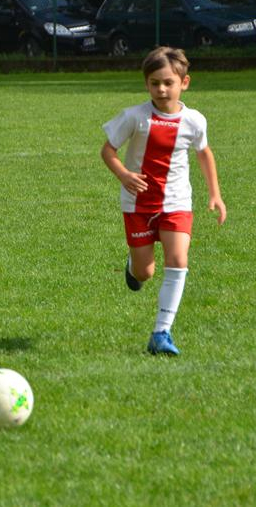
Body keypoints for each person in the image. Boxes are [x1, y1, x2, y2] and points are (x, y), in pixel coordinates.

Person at [100, 46, 227, 356]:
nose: (161, 89)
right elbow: (108, 150)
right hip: (138, 204)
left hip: (177, 202)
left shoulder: (194, 120)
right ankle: (133, 266)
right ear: (146, 84)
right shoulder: (134, 116)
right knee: (145, 272)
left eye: (168, 82)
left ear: (184, 83)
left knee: (178, 260)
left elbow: (204, 153)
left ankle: (161, 333)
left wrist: (215, 194)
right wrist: (124, 175)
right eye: (154, 83)